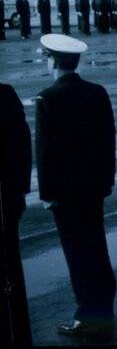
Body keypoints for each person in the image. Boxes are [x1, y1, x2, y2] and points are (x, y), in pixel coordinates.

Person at [35, 34, 117, 336]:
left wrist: (47, 193)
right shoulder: (96, 92)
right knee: (96, 246)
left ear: (53, 60)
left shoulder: (48, 97)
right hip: (93, 186)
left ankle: (87, 316)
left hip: (65, 192)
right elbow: (108, 139)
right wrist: (106, 180)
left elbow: (44, 152)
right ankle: (104, 309)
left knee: (77, 253)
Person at [1, 82, 32, 346]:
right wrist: (21, 190)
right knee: (12, 267)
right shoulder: (5, 94)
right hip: (7, 198)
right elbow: (22, 145)